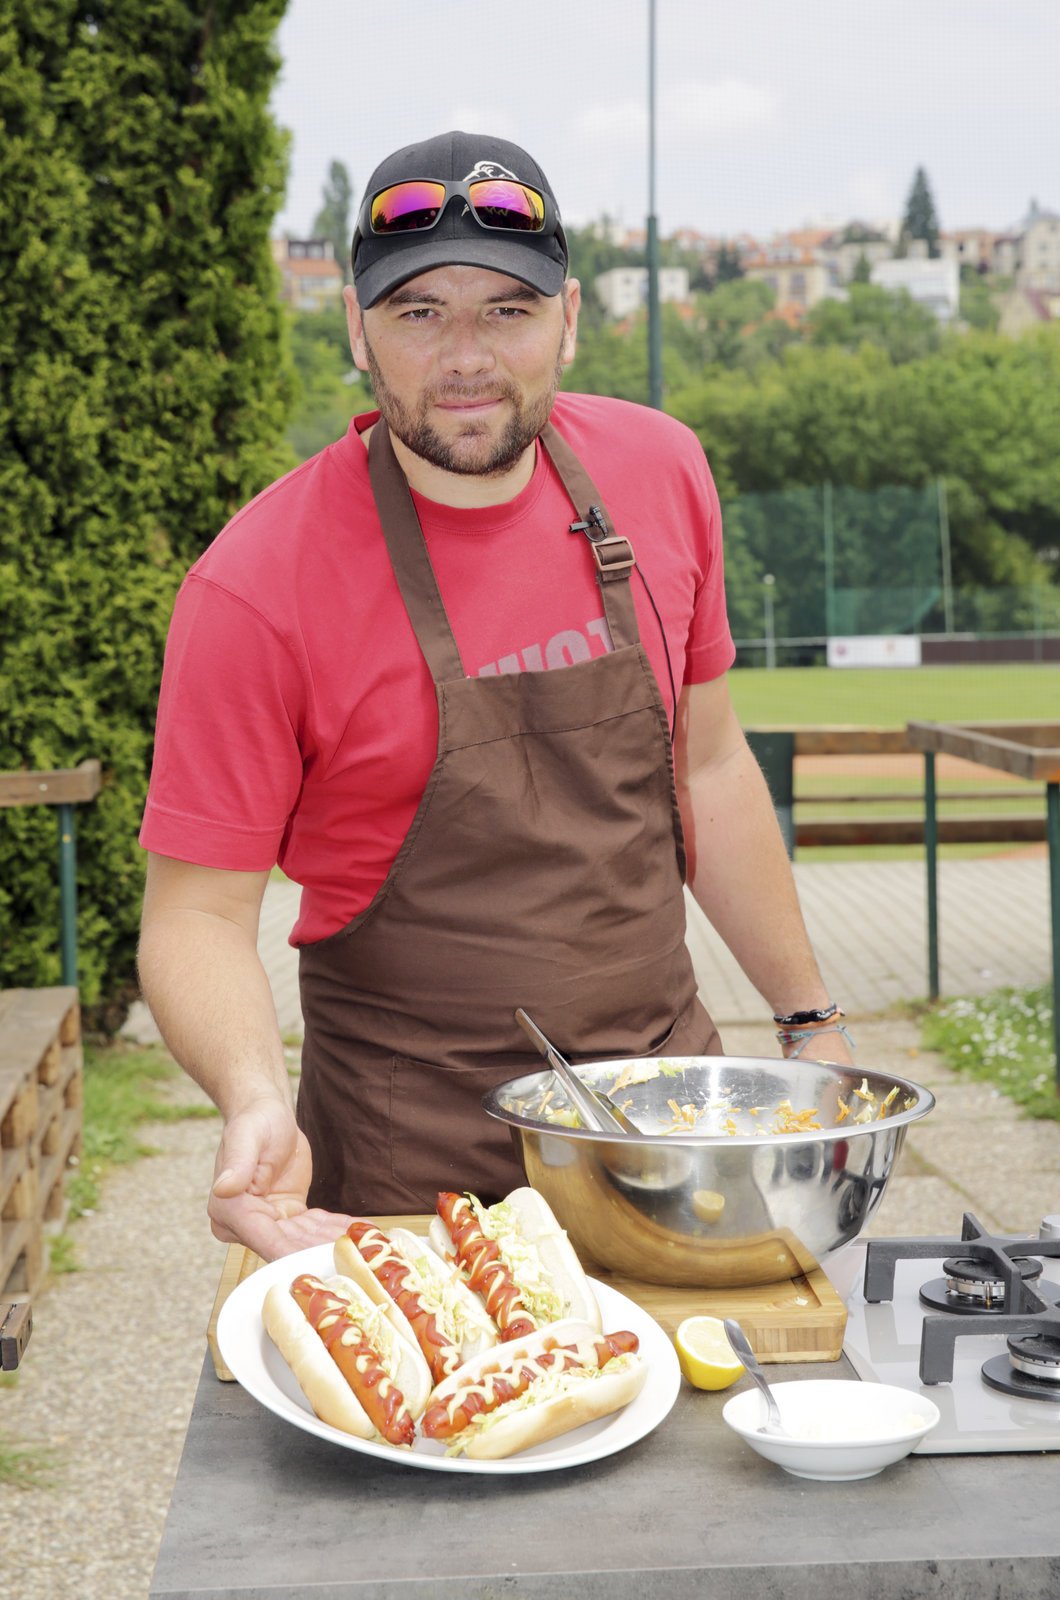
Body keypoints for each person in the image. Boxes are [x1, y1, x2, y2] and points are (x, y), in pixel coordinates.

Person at [137, 129, 851, 1262]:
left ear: (568, 317)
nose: (465, 355)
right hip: (404, 1169)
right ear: (356, 328)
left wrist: (808, 1021)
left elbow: (708, 767)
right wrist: (251, 1096)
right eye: (419, 312)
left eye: (506, 311)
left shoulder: (662, 472)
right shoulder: (253, 586)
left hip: (666, 1136)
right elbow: (195, 915)